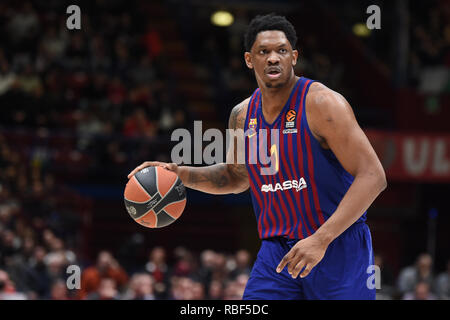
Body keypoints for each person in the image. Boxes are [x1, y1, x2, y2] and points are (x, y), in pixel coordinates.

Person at [128, 14, 387, 300]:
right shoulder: (242, 115)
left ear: (294, 57)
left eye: (282, 51)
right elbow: (236, 177)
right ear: (250, 60)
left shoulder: (323, 104)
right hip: (277, 251)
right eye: (264, 52)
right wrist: (179, 173)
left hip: (337, 245)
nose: (273, 58)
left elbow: (373, 176)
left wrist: (321, 239)